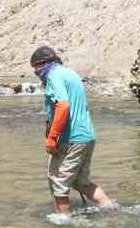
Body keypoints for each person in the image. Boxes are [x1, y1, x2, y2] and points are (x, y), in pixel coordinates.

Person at [32, 46, 115, 215]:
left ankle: (64, 225)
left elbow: (63, 106)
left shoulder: (54, 75)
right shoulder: (69, 73)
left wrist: (52, 138)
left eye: (36, 68)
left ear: (42, 63)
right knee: (81, 182)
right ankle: (111, 210)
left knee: (58, 183)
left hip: (70, 138)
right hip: (86, 136)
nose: (36, 72)